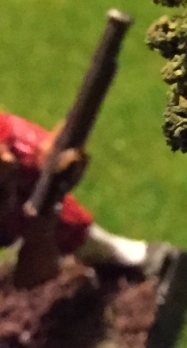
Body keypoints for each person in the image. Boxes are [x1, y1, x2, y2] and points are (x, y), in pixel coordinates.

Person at [0, 111, 148, 270]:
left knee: (74, 234)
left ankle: (125, 259)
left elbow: (45, 156)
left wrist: (52, 164)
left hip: (50, 223)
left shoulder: (22, 146)